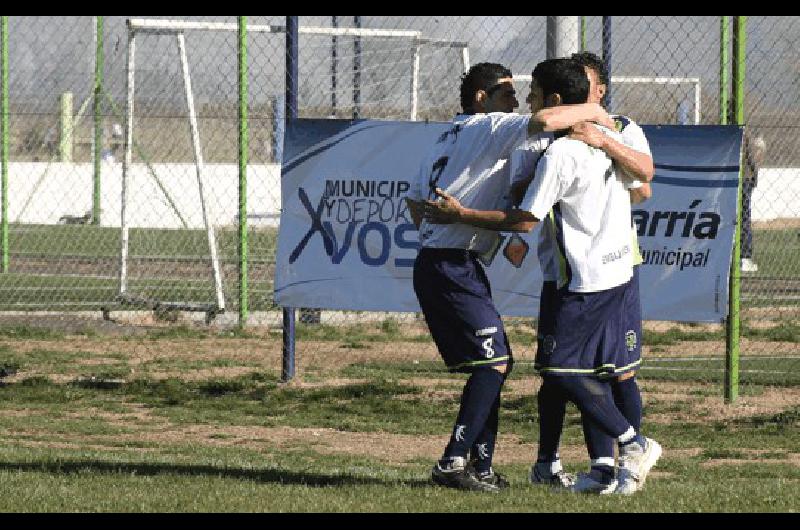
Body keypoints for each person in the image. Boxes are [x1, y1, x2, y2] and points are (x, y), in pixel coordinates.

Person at [423, 58, 661, 495]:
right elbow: (522, 196)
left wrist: (467, 214)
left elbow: (641, 181)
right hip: (573, 273)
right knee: (563, 369)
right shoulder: (562, 142)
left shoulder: (593, 138)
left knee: (573, 369)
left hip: (593, 276)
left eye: (528, 94)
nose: (523, 103)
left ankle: (632, 445)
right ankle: (587, 466)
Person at [741, 131, 766, 272]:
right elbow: (751, 158)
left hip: (736, 178)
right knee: (744, 217)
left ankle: (739, 255)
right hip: (745, 178)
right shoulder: (745, 134)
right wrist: (755, 177)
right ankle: (745, 256)